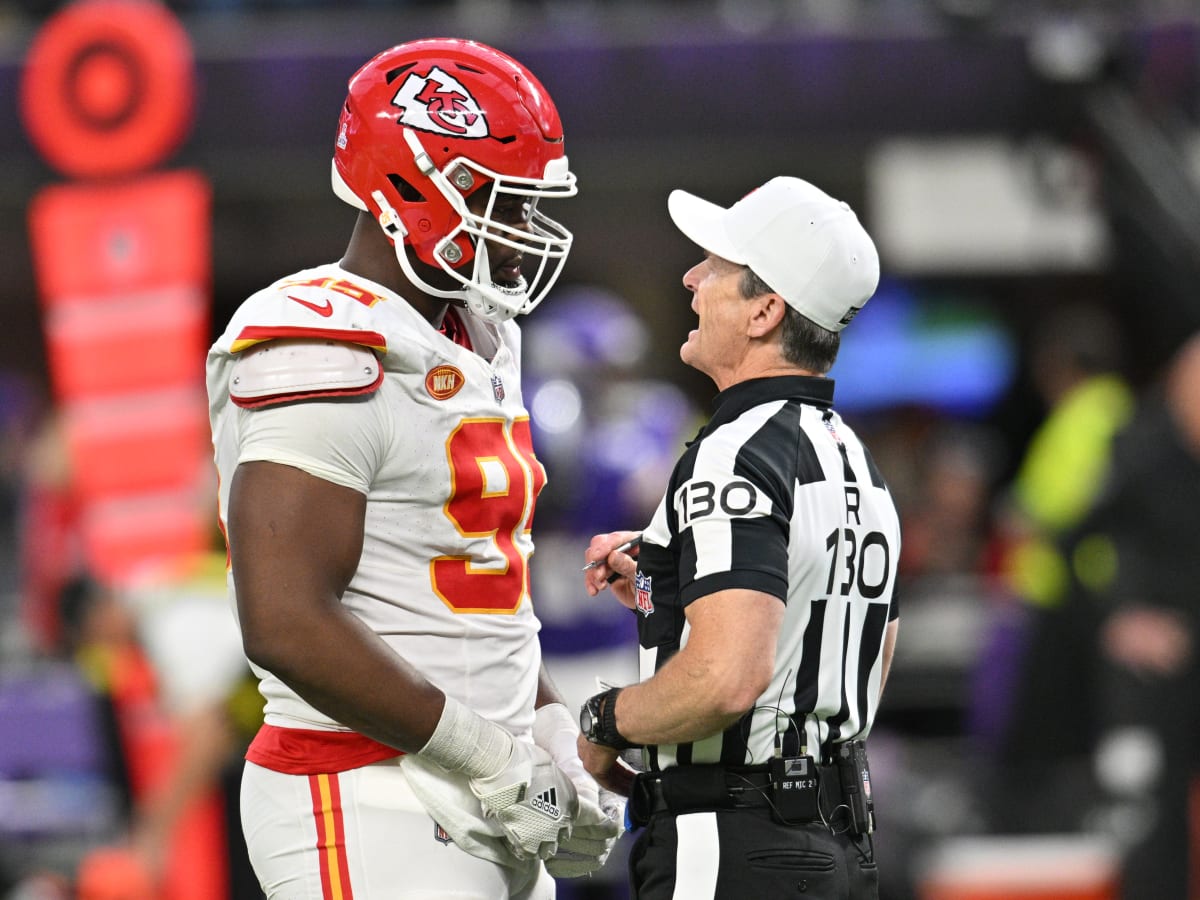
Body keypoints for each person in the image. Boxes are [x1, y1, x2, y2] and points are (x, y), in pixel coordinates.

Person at [205, 38, 619, 900]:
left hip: (481, 788)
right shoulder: (316, 339)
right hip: (363, 786)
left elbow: (478, 598)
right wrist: (492, 756)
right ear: (417, 189)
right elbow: (283, 620)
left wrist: (546, 732)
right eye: (504, 202)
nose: (524, 232)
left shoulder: (479, 333)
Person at [578, 176, 901, 899]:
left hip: (734, 843)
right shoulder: (852, 456)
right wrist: (671, 582)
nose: (691, 279)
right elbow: (864, 649)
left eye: (716, 266)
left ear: (764, 310)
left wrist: (604, 721)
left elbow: (727, 679)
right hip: (840, 841)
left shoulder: (735, 451)